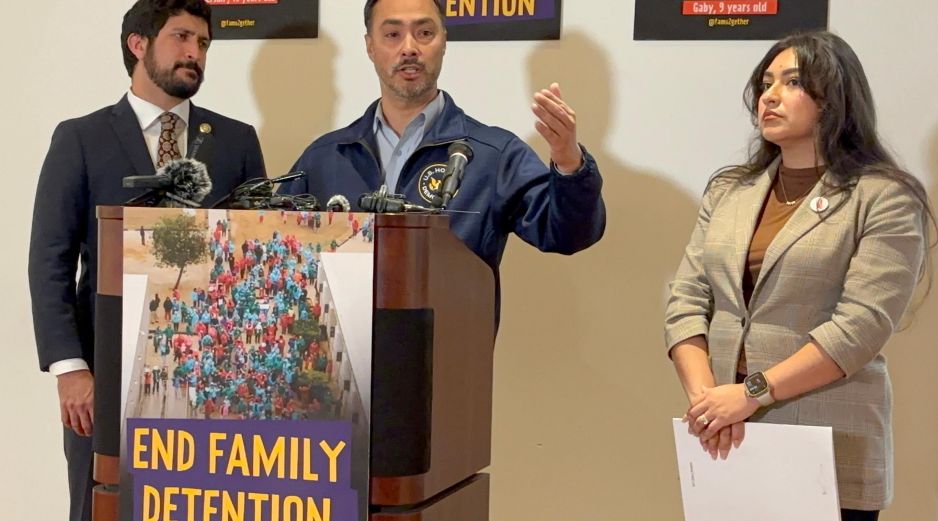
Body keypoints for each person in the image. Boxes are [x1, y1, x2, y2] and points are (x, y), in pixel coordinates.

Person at [663, 31, 933, 520]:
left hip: (827, 440)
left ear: (833, 99)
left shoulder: (884, 197)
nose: (769, 95)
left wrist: (748, 395)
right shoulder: (730, 190)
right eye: (766, 83)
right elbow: (687, 297)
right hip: (724, 436)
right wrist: (708, 400)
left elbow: (860, 328)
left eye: (791, 82)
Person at [27, 1, 266, 519]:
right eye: (182, 37)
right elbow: (50, 259)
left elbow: (253, 259)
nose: (194, 53)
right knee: (102, 507)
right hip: (105, 374)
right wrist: (71, 370)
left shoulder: (237, 142)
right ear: (138, 44)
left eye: (203, 44)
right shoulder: (81, 138)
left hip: (210, 377)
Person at [281, 0, 605, 301]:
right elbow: (277, 249)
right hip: (336, 359)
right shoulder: (325, 157)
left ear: (444, 41)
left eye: (424, 33)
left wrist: (568, 164)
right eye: (392, 34)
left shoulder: (492, 154)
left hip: (449, 355)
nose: (409, 48)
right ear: (369, 46)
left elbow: (567, 235)